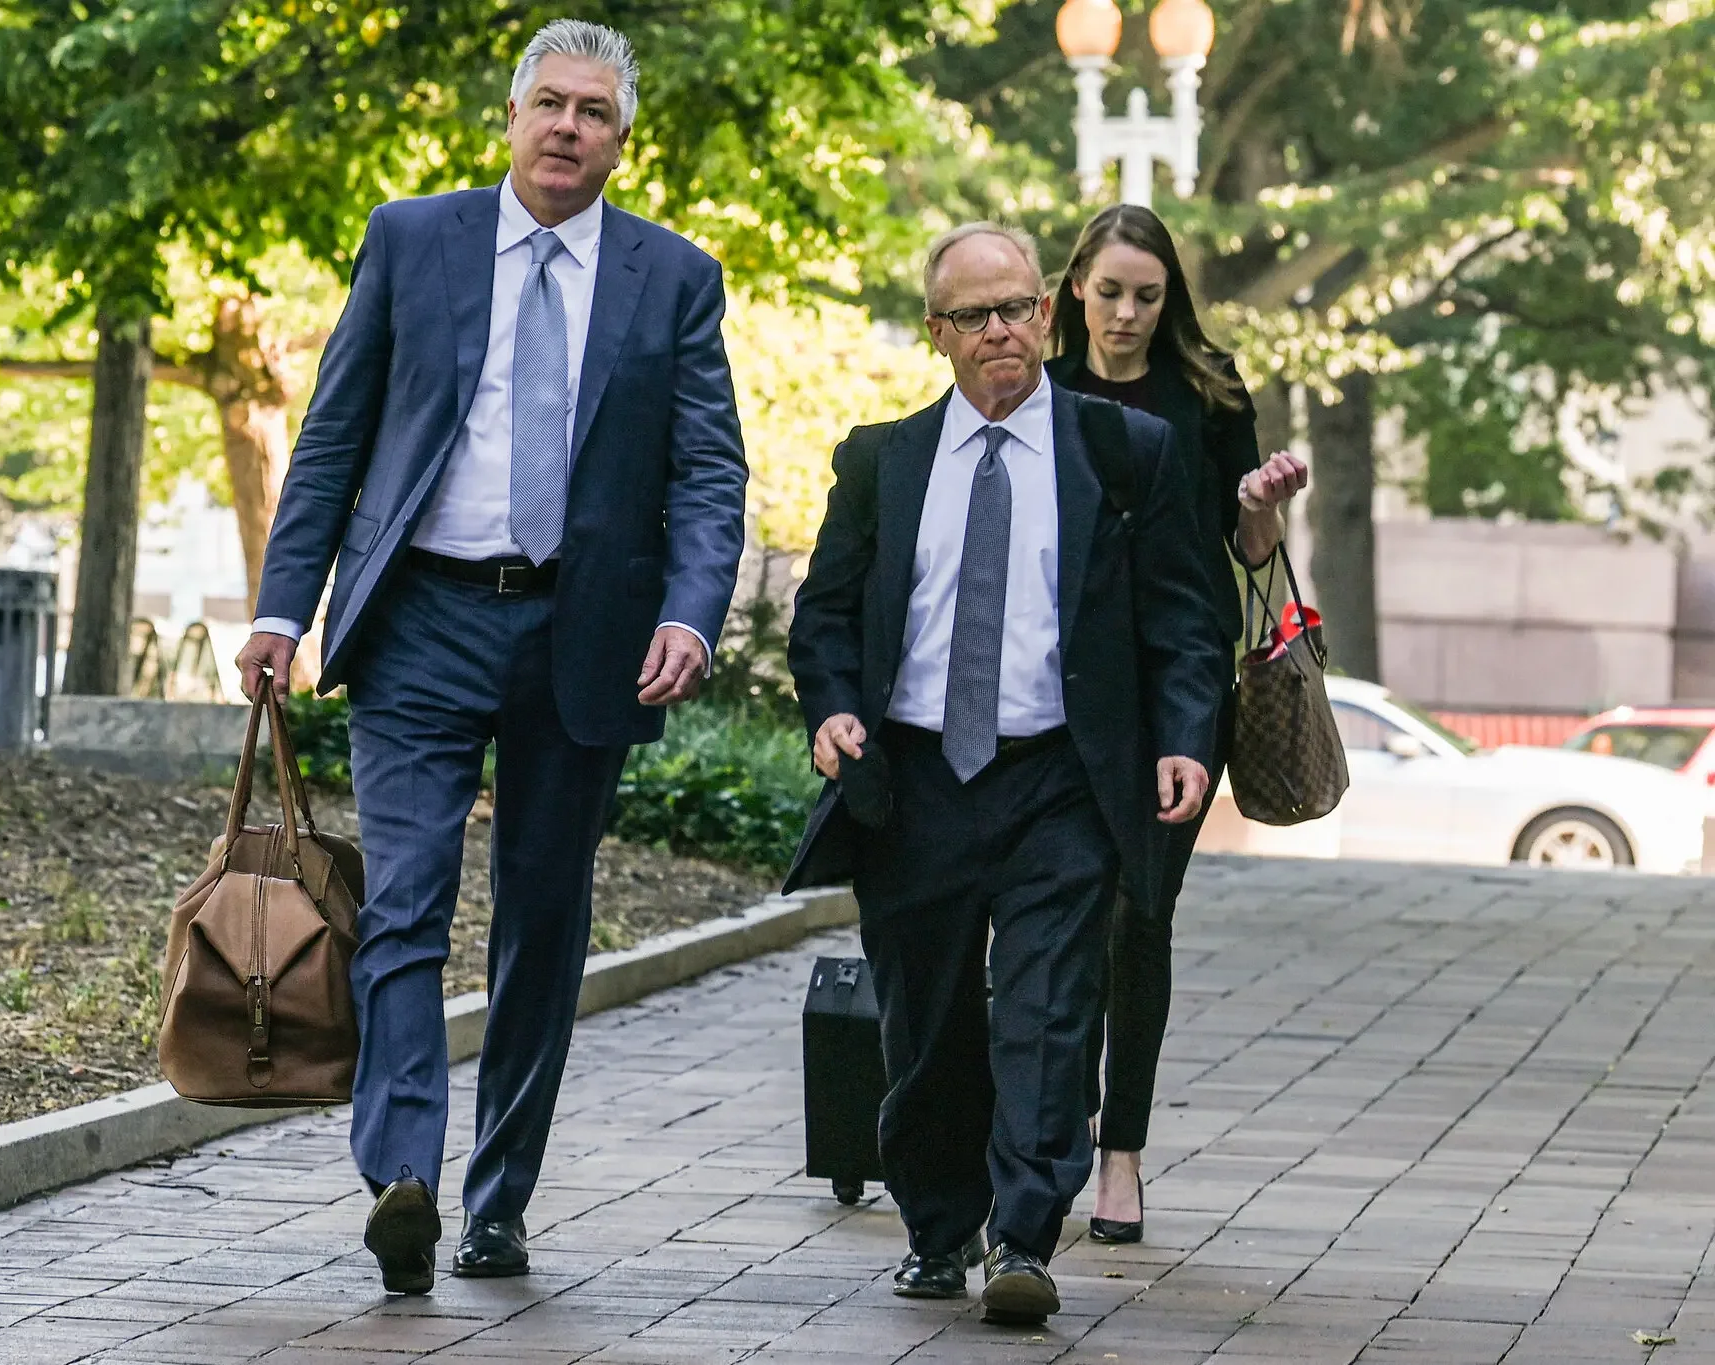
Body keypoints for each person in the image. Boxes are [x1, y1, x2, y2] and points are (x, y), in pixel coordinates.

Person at [236, 19, 747, 1298]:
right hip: (422, 620)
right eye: (549, 104)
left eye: (594, 112)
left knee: (541, 922)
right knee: (403, 900)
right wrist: (280, 610)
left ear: (622, 143)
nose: (568, 127)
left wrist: (689, 612)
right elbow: (333, 434)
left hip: (586, 635)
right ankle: (402, 1175)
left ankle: (498, 1202)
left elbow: (707, 469)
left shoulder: (672, 278)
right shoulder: (415, 240)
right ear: (509, 117)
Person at [784, 223, 1225, 1324]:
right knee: (927, 1028)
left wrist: (1181, 737)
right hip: (916, 782)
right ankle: (939, 1230)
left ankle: (1023, 1237)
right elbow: (825, 616)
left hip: (1060, 781)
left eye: (1019, 308)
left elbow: (1182, 620)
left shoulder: (1121, 451)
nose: (1002, 331)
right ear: (935, 333)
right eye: (975, 315)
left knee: (1047, 1010)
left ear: (1048, 313)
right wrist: (835, 712)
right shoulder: (880, 461)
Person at [1047, 204, 1308, 1244]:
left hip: (1175, 683)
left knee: (1136, 914)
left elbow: (1246, 555)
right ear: (1075, 286)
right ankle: (1047, 1124)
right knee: (1055, 911)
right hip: (1058, 681)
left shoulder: (1206, 388)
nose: (1124, 314)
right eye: (1107, 292)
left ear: (1170, 301)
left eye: (1145, 297)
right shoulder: (1040, 384)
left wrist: (1257, 502)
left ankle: (1120, 1154)